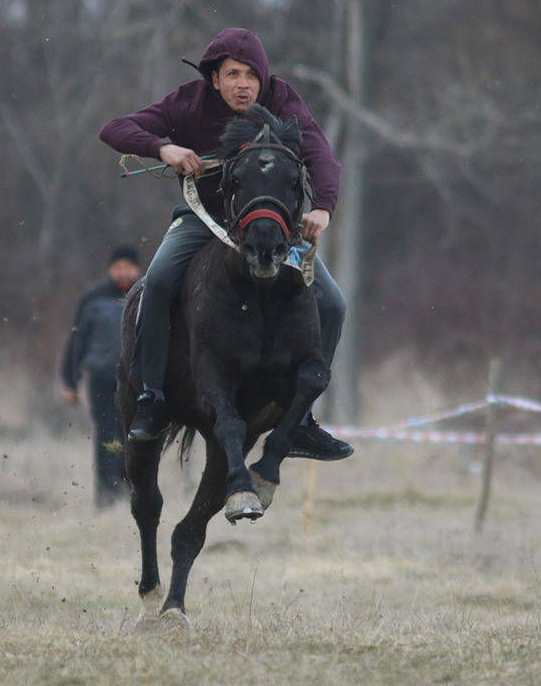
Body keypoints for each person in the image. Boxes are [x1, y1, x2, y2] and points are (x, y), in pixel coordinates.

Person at [98, 28, 352, 460]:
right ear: (213, 78)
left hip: (272, 229)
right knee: (157, 282)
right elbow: (114, 129)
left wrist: (324, 208)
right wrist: (163, 148)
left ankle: (303, 421)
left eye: (252, 75)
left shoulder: (282, 100)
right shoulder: (187, 101)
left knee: (333, 304)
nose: (244, 84)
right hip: (204, 222)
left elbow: (321, 156)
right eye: (233, 74)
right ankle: (152, 401)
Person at [61, 245, 142, 507]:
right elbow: (77, 341)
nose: (122, 273)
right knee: (107, 436)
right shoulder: (93, 298)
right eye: (117, 267)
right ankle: (107, 498)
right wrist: (70, 382)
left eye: (127, 267)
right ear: (110, 269)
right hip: (102, 381)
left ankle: (134, 496)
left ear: (137, 269)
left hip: (138, 383)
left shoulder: (148, 295)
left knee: (135, 438)